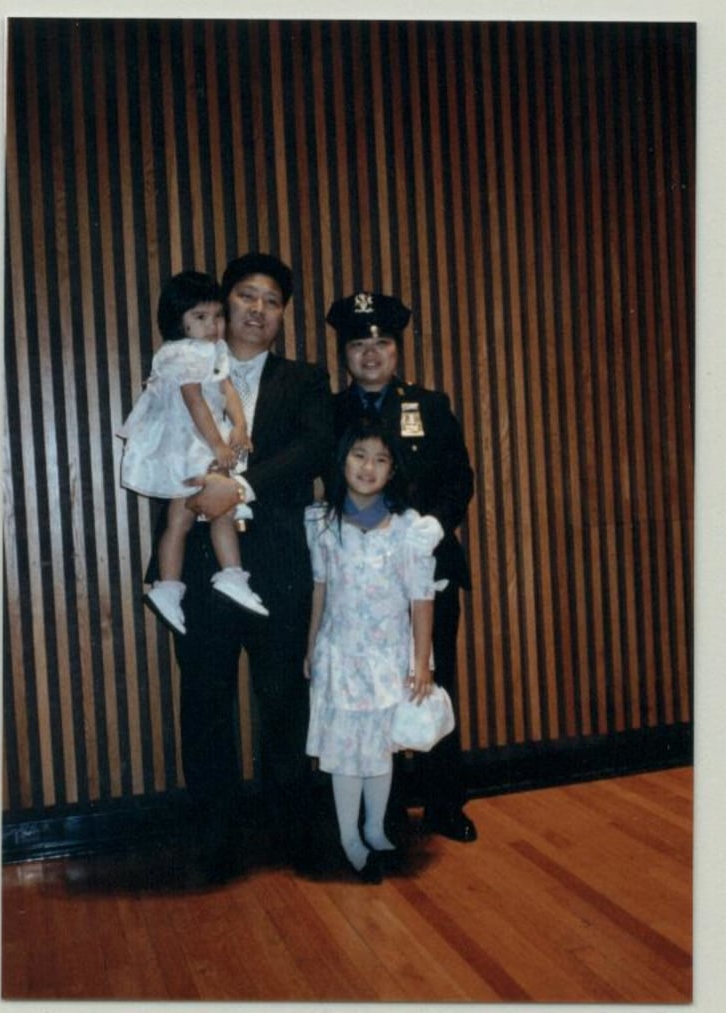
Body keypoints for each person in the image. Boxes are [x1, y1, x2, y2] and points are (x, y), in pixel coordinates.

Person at [164, 253, 334, 880]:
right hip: (205, 565)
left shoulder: (306, 379)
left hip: (279, 564)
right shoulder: (184, 366)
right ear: (224, 303)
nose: (258, 309)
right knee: (206, 700)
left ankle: (294, 832)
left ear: (283, 314)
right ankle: (214, 841)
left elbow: (316, 448)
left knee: (283, 698)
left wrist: (236, 489)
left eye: (271, 300)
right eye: (245, 296)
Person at [327, 290, 478, 843]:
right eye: (359, 344)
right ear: (344, 352)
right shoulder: (332, 410)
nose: (371, 353)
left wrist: (438, 522)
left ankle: (443, 805)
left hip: (425, 573)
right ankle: (383, 813)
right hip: (360, 585)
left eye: (382, 342)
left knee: (431, 683)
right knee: (367, 694)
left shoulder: (429, 406)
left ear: (397, 349)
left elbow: (459, 477)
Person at [304, 417, 444, 883]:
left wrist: (420, 662)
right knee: (346, 750)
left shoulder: (409, 529)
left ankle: (374, 826)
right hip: (340, 655)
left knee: (380, 748)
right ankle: (348, 836)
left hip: (388, 656)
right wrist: (311, 649)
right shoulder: (321, 523)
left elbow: (421, 598)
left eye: (381, 459)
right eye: (359, 455)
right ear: (342, 460)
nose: (368, 467)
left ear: (392, 470)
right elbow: (320, 591)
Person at [118, 270, 267, 634]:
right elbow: (194, 399)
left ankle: (187, 584)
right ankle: (217, 577)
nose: (213, 325)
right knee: (203, 514)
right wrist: (218, 442)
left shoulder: (214, 351)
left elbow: (227, 390)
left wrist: (241, 427)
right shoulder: (179, 353)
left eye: (216, 316)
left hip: (200, 444)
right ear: (179, 322)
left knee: (193, 516)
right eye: (200, 318)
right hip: (185, 445)